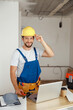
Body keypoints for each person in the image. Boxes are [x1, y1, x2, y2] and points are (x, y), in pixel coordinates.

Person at [10, 26, 54, 96]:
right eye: (26, 38)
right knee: (23, 106)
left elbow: (51, 54)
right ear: (22, 39)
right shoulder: (17, 53)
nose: (29, 41)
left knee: (35, 106)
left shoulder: (36, 51)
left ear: (33, 39)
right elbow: (12, 73)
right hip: (22, 87)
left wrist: (42, 41)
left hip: (36, 86)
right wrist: (16, 89)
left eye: (31, 38)